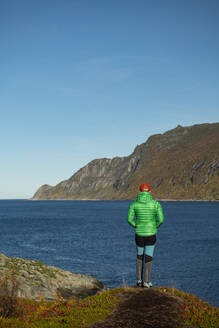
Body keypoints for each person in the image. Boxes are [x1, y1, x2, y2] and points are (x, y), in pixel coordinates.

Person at [127, 182, 164, 288]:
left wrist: (136, 225)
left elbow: (129, 219)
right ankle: (147, 282)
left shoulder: (134, 204)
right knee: (148, 257)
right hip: (151, 234)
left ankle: (139, 281)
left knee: (139, 256)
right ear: (150, 191)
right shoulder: (156, 204)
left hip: (139, 234)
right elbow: (161, 220)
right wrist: (155, 226)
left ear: (139, 191)